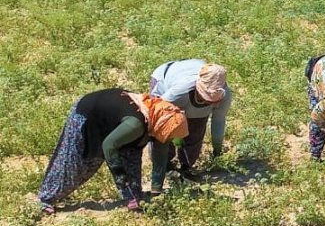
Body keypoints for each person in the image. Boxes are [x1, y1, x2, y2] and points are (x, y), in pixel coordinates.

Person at [38, 88, 188, 215]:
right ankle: (47, 199)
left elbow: (160, 155)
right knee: (76, 164)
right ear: (162, 127)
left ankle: (133, 197)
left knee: (132, 157)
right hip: (89, 115)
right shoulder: (136, 125)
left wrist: (157, 191)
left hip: (116, 121)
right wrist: (119, 173)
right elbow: (109, 146)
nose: (168, 140)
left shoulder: (160, 122)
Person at [148, 59, 231, 192]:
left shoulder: (225, 96)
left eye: (210, 100)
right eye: (204, 97)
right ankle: (166, 166)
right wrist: (174, 135)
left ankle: (186, 167)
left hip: (185, 86)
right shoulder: (179, 91)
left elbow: (218, 122)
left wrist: (217, 150)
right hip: (164, 80)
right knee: (163, 129)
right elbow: (155, 114)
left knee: (197, 128)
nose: (206, 101)